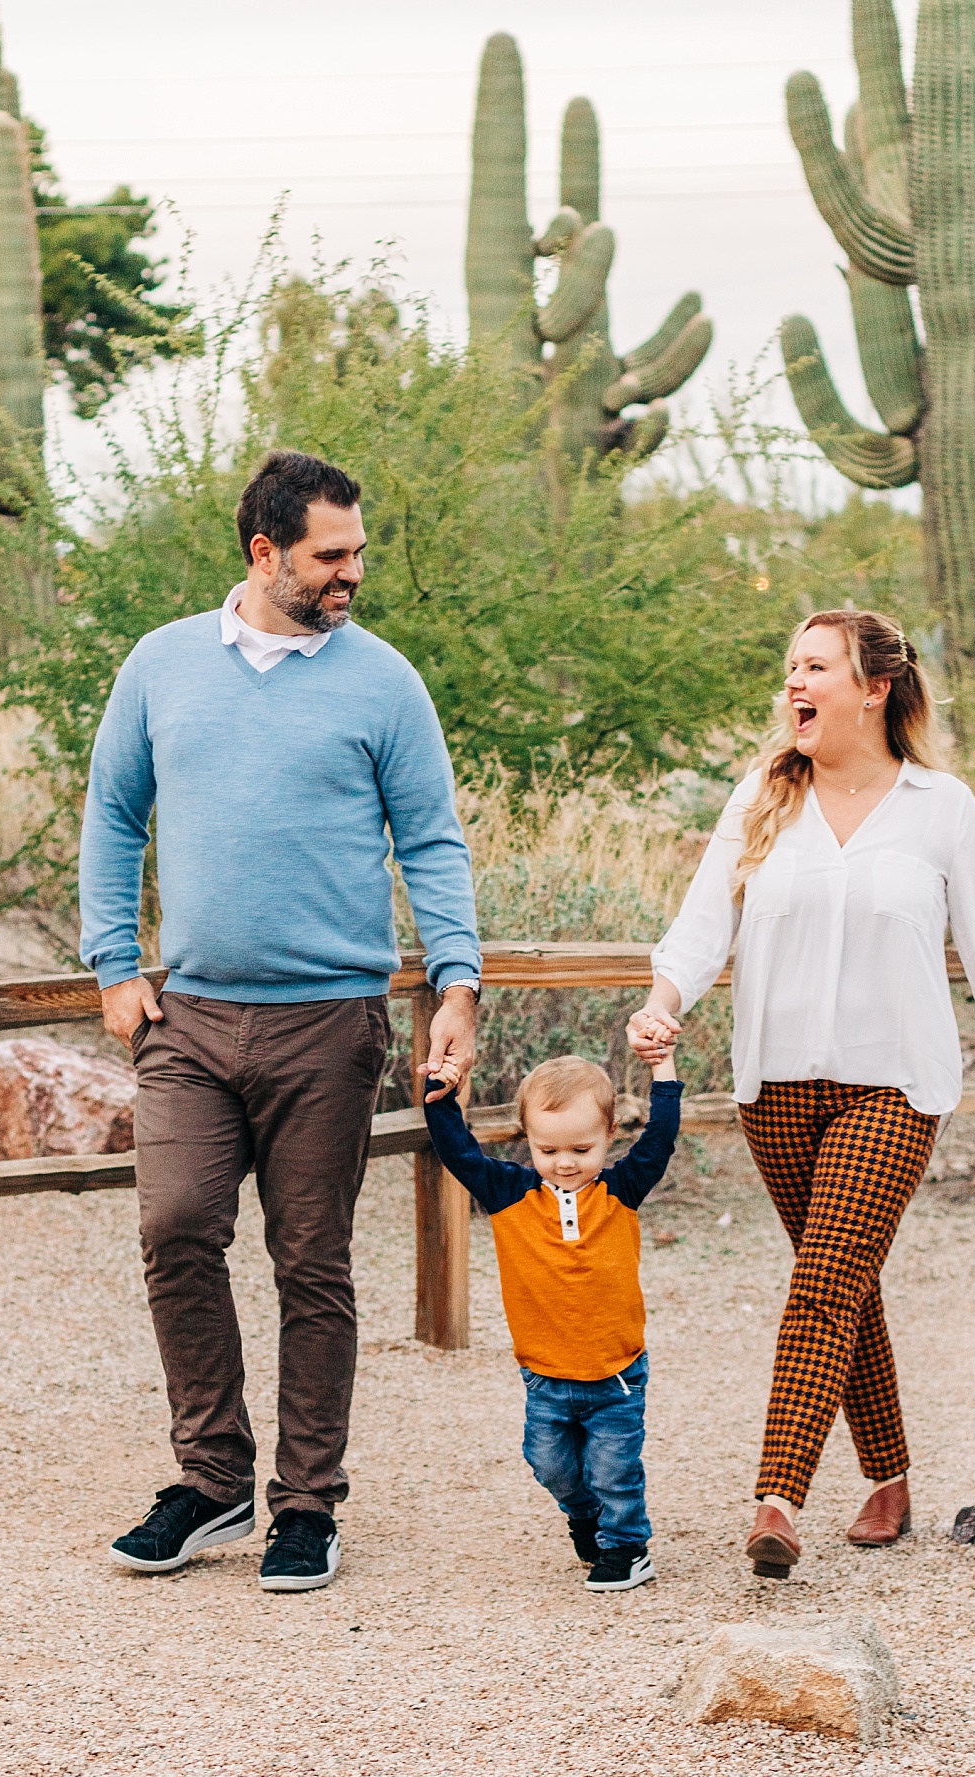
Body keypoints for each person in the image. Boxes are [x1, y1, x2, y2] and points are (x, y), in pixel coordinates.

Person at [79, 449, 482, 1592]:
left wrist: (457, 982)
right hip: (191, 1022)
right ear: (266, 552)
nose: (354, 570)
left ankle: (306, 1503)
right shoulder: (162, 664)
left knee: (313, 1262)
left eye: (358, 548)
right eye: (332, 553)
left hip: (328, 1021)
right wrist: (115, 963)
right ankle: (210, 1480)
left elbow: (434, 840)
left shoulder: (383, 682)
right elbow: (112, 817)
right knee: (175, 1227)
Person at [627, 608, 975, 1580]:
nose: (795, 681)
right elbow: (704, 923)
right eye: (789, 665)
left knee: (822, 1280)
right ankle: (891, 1475)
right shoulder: (762, 796)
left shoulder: (940, 806)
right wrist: (664, 1003)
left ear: (873, 689)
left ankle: (776, 1495)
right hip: (774, 1087)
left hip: (897, 1084)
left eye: (815, 665)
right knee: (846, 1281)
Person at [424, 1052, 683, 1591]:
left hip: (615, 1372)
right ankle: (585, 1518)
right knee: (551, 1465)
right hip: (544, 1374)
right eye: (548, 1149)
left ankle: (628, 1548)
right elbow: (459, 1153)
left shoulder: (622, 1192)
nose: (565, 1162)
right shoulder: (509, 1194)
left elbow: (660, 1139)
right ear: (527, 1137)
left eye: (581, 1149)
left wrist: (664, 1072)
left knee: (615, 1470)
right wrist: (443, 1094)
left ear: (610, 1134)